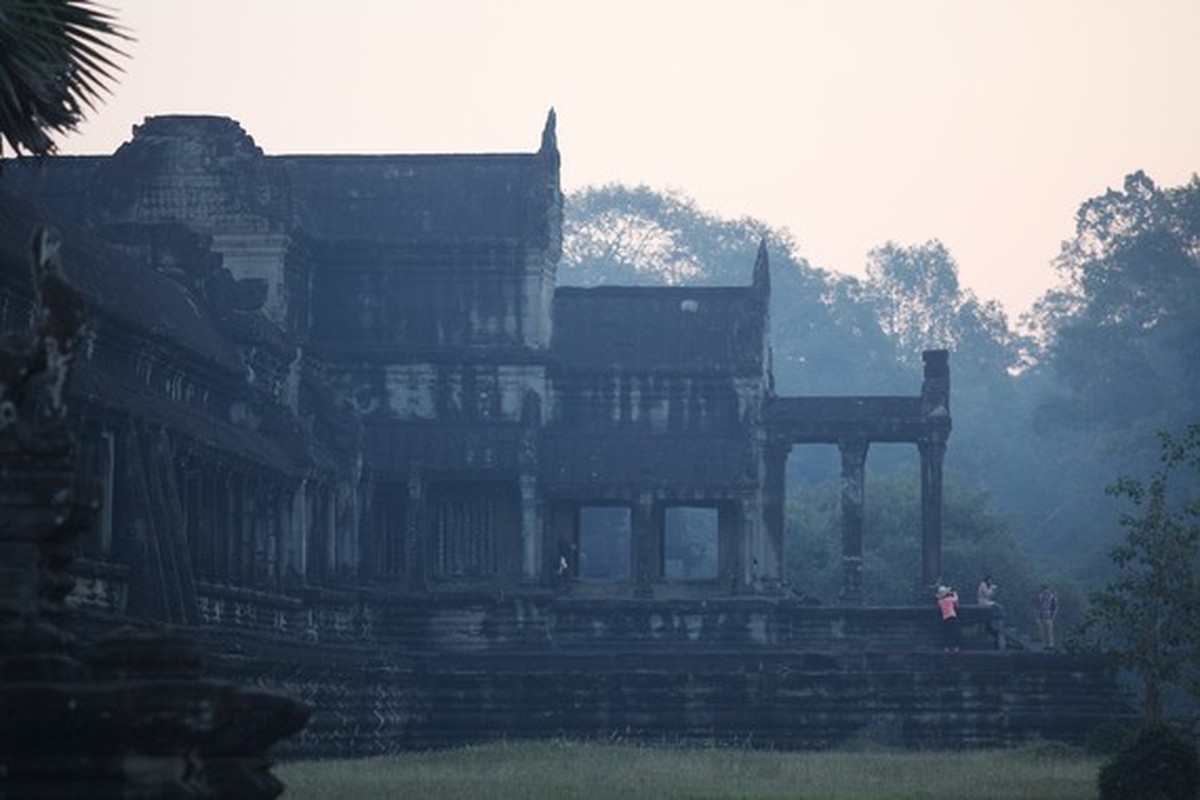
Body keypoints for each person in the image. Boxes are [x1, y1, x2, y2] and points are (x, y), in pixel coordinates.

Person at [977, 574, 1005, 649]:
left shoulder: (987, 586)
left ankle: (999, 620)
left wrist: (994, 591)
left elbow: (992, 596)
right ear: (987, 579)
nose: (991, 581)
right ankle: (999, 619)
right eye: (990, 580)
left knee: (999, 607)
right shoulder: (983, 585)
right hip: (983, 602)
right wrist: (992, 589)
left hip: (987, 601)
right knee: (998, 607)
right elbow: (987, 595)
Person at [937, 585, 960, 652]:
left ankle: (946, 647)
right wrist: (954, 593)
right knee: (955, 632)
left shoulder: (940, 601)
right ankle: (956, 647)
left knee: (947, 633)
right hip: (952, 617)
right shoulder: (950, 599)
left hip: (945, 618)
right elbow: (956, 600)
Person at [1035, 584, 1058, 650]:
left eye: (1046, 589)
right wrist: (1037, 616)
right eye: (1043, 589)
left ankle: (1051, 645)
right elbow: (1037, 607)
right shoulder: (1040, 596)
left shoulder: (1052, 597)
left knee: (1049, 632)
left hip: (1048, 616)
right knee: (1041, 631)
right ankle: (1043, 644)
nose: (1045, 591)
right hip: (1041, 616)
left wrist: (1053, 616)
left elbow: (1055, 607)